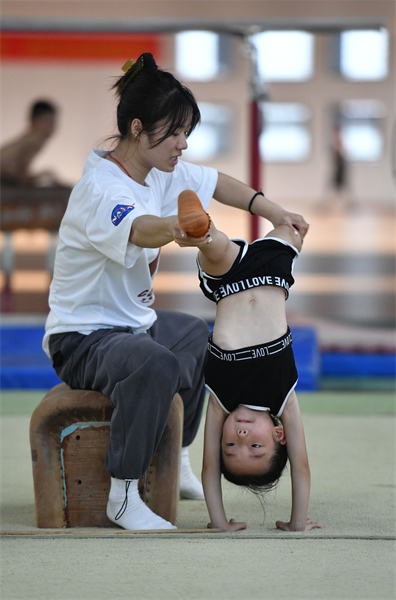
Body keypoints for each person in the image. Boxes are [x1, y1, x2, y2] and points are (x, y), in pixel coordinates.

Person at [43, 52, 308, 531]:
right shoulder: (101, 187)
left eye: (188, 133)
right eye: (176, 132)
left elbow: (218, 183)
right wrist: (176, 227)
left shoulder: (160, 168)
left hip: (131, 327)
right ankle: (122, 494)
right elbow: (141, 229)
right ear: (139, 128)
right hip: (82, 339)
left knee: (190, 337)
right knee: (157, 362)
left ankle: (179, 458)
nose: (184, 144)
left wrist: (276, 211)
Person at [177, 190, 320, 532]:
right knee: (291, 231)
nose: (240, 434)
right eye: (254, 445)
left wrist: (219, 522)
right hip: (274, 273)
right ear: (278, 434)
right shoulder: (283, 398)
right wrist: (297, 522)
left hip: (227, 281)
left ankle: (202, 232)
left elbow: (209, 468)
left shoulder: (220, 399)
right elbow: (300, 465)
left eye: (230, 444)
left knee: (218, 249)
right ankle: (288, 228)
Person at [0, 99, 59, 187]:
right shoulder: (35, 140)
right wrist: (40, 176)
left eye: (53, 122)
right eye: (47, 122)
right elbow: (20, 174)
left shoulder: (29, 138)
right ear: (33, 121)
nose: (51, 127)